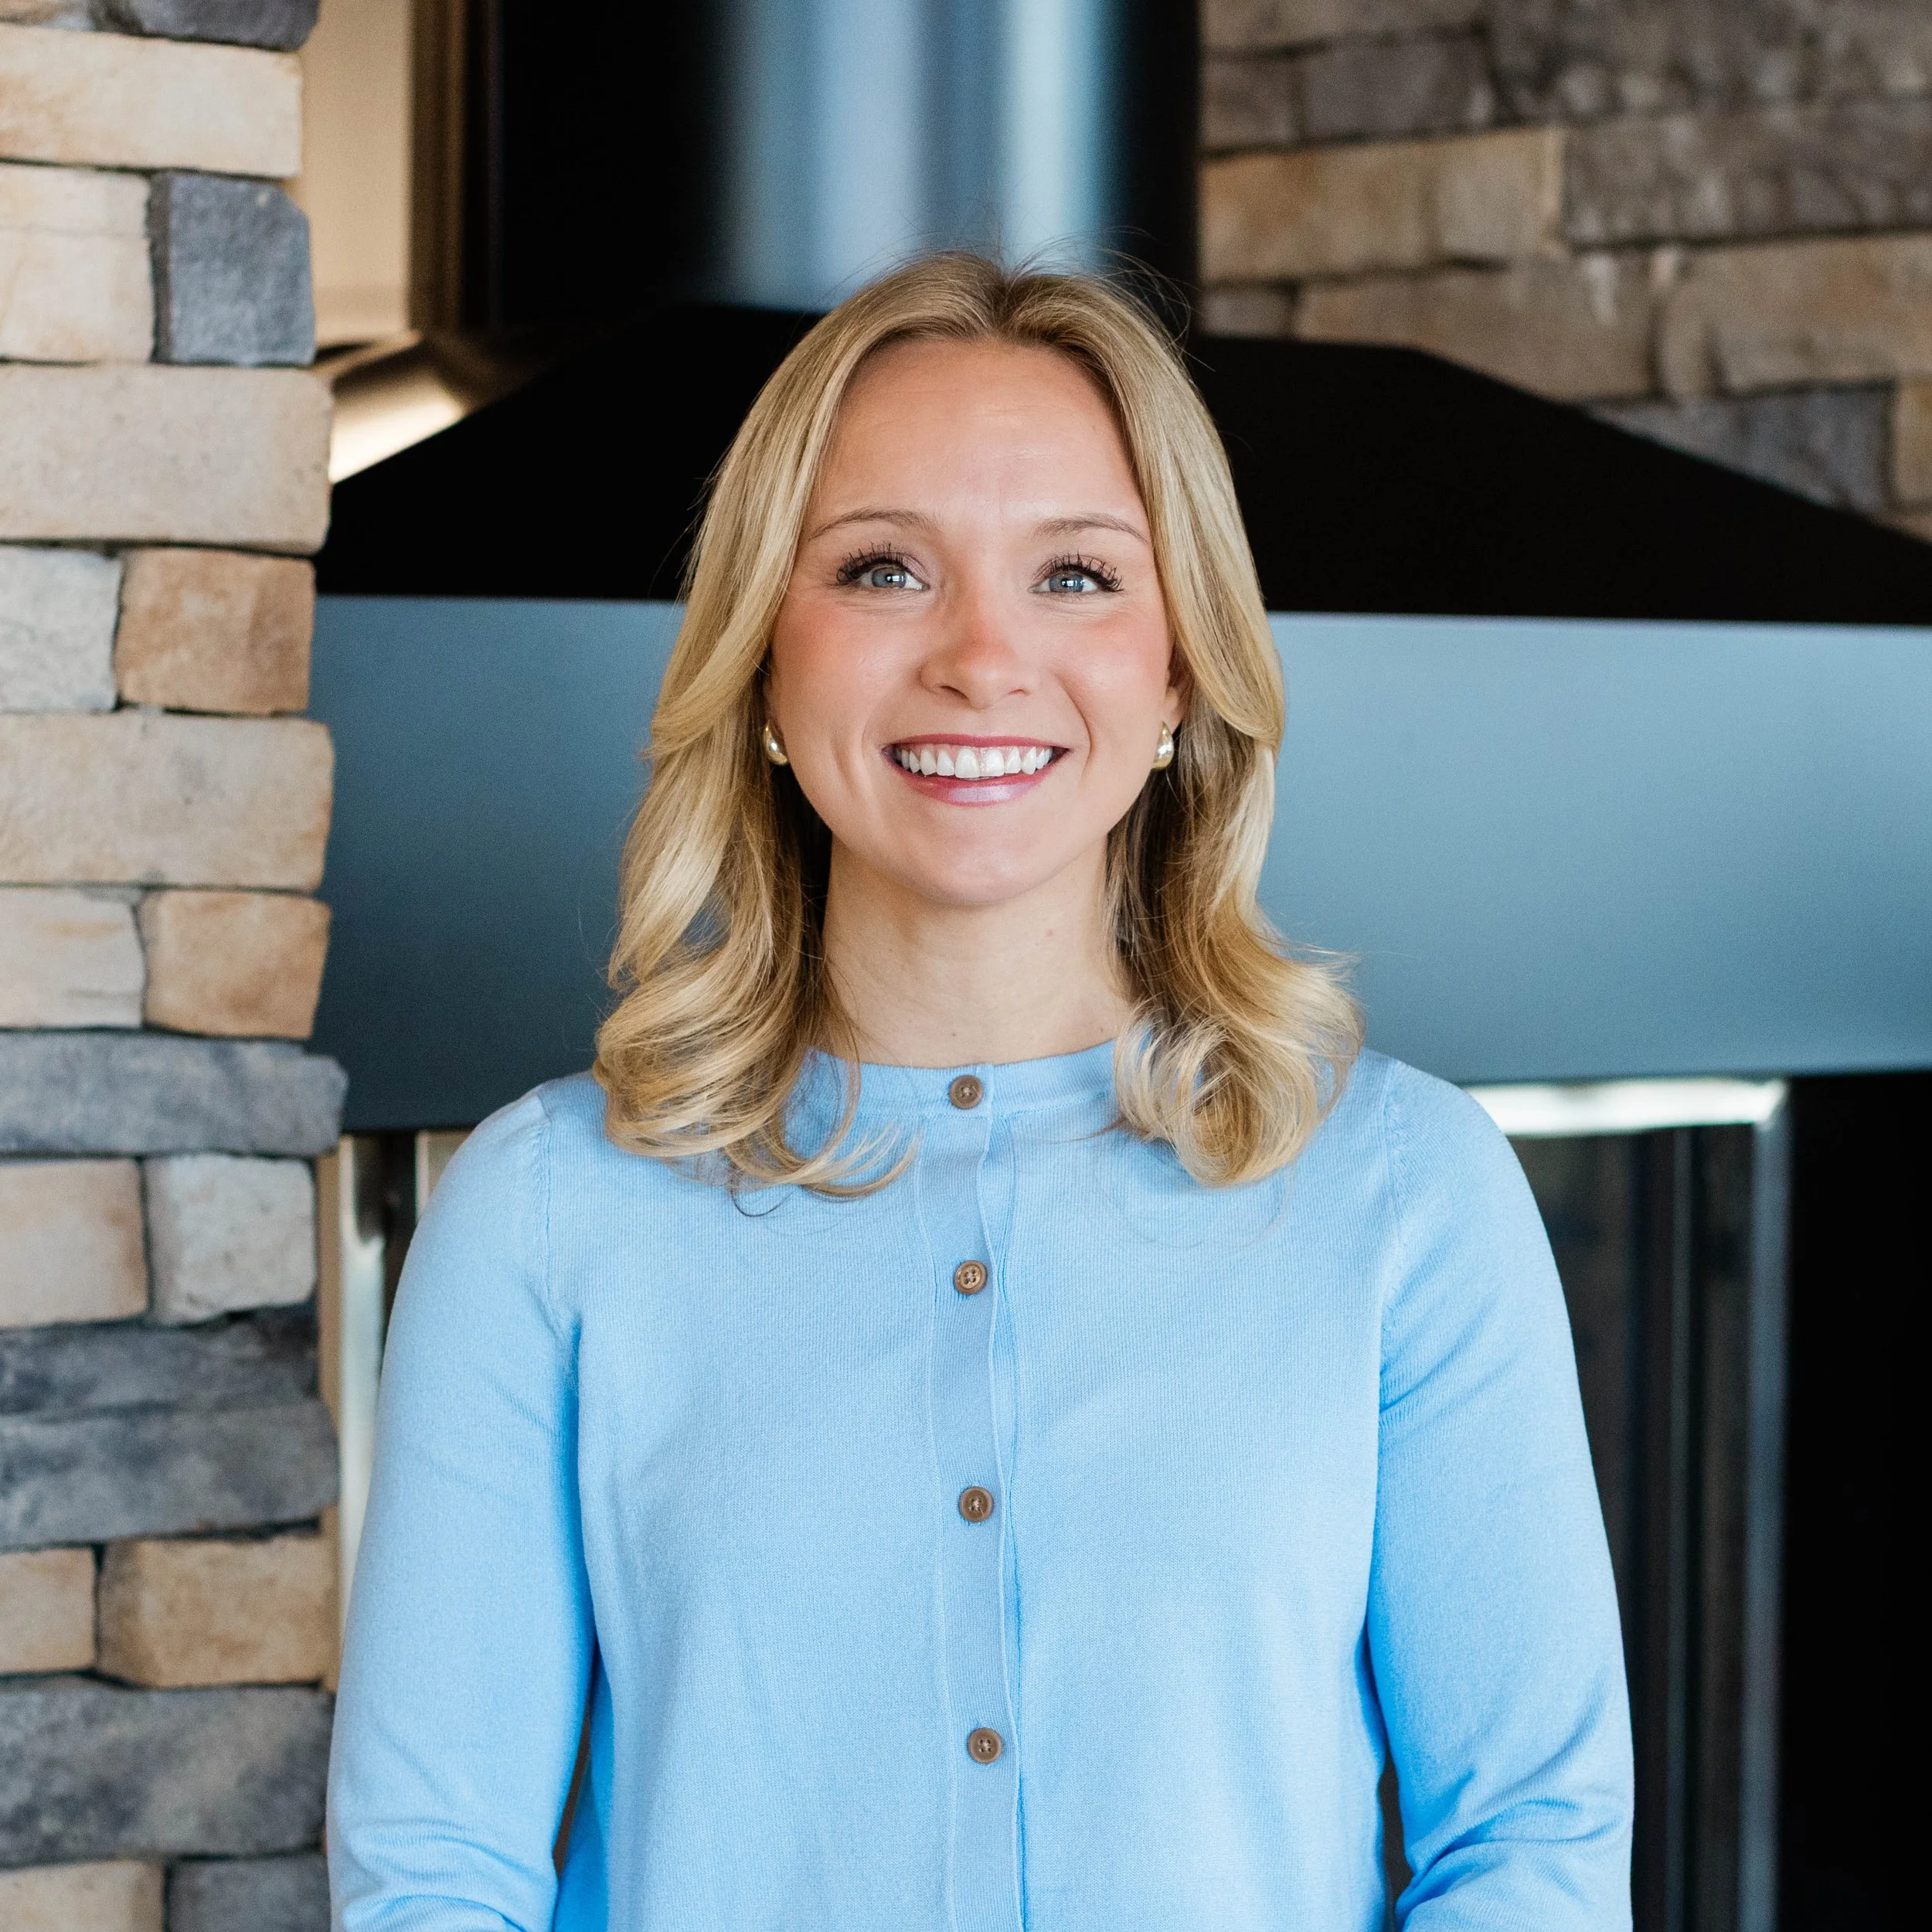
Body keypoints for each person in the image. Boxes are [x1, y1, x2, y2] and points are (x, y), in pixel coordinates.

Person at [328, 254, 1631, 1930]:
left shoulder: (1405, 1189)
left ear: (1175, 672)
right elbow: (433, 1873)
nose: (980, 657)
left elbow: (1527, 1839)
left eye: (1077, 575)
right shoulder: (544, 1212)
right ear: (763, 669)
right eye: (881, 568)